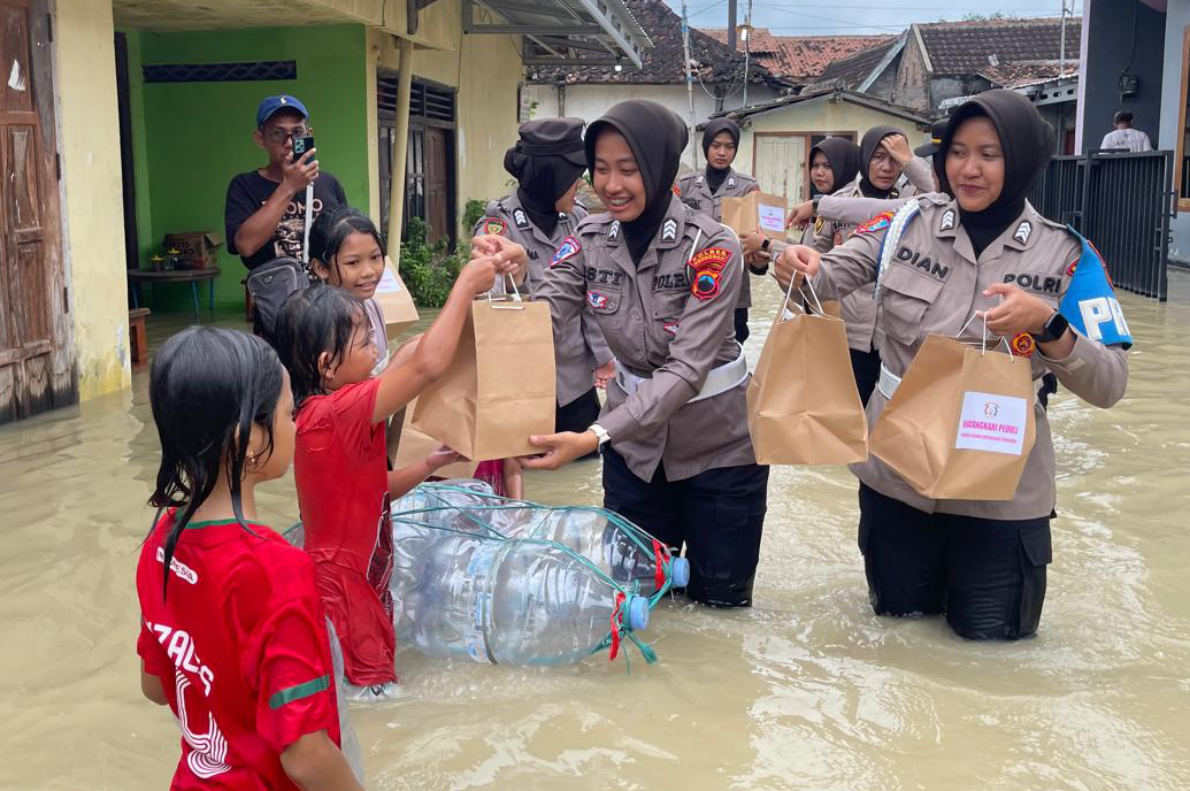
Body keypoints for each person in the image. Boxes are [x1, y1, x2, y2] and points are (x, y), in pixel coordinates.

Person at [774, 89, 1130, 640]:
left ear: (1023, 160)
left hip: (1002, 494)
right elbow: (822, 277)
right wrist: (793, 263)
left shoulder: (1070, 257)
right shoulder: (903, 225)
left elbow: (1110, 385)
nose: (969, 169)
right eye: (958, 152)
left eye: (990, 154)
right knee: (898, 646)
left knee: (989, 658)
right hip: (898, 480)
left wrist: (1048, 326)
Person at [480, 100, 770, 608]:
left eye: (628, 169)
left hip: (720, 457)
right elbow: (542, 320)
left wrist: (593, 435)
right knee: (635, 604)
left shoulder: (714, 247)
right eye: (601, 169)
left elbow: (685, 369)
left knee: (719, 609)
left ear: (659, 167)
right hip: (634, 461)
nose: (611, 185)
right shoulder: (588, 239)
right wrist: (510, 280)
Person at [274, 251, 509, 698]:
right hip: (342, 587)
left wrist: (429, 465)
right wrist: (464, 283)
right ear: (326, 365)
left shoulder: (330, 409)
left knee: (363, 687)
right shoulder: (333, 413)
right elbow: (426, 366)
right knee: (373, 694)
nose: (376, 350)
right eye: (364, 343)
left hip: (358, 577)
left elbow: (372, 492)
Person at [136, 326, 364, 790]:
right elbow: (305, 755)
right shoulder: (278, 571)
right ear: (251, 435)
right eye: (287, 413)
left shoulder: (159, 543)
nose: (296, 425)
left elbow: (156, 688)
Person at [472, 118, 613, 439]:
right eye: (573, 176)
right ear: (552, 176)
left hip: (574, 385)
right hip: (520, 385)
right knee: (524, 471)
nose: (580, 184)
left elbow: (592, 297)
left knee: (580, 472)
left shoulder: (578, 220)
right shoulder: (499, 228)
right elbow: (492, 311)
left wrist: (605, 358)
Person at [226, 95, 347, 334]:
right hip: (277, 317)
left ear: (309, 133)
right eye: (278, 134)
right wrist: (289, 186)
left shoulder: (329, 184)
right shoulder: (244, 186)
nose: (290, 142)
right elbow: (246, 245)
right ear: (260, 139)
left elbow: (345, 244)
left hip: (331, 312)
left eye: (298, 132)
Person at [676, 118, 769, 344]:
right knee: (689, 344)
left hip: (734, 285)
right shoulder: (686, 185)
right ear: (706, 146)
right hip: (690, 283)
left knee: (733, 346)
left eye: (729, 147)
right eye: (716, 145)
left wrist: (760, 259)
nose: (722, 152)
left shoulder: (747, 187)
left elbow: (759, 237)